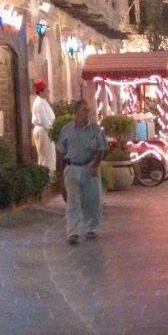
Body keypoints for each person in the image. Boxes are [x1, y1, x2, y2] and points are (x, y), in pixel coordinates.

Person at [56, 100, 108, 244]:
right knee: (73, 201)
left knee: (92, 199)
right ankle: (73, 232)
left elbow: (101, 148)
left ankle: (91, 227)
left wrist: (95, 165)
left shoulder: (95, 129)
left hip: (89, 167)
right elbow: (60, 150)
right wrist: (59, 171)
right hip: (72, 167)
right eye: (85, 110)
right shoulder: (66, 130)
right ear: (77, 112)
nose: (88, 112)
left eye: (88, 110)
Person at [31, 79, 56, 172]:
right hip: (44, 131)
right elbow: (45, 121)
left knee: (50, 156)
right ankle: (46, 177)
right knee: (46, 157)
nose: (48, 92)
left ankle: (50, 176)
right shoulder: (38, 104)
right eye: (46, 90)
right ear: (41, 92)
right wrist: (53, 130)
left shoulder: (43, 101)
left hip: (47, 131)